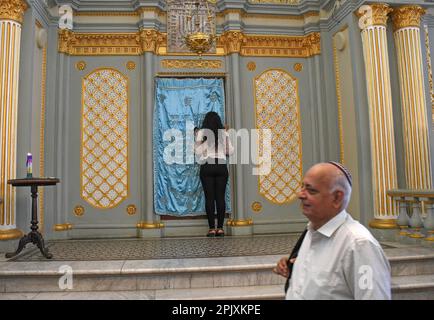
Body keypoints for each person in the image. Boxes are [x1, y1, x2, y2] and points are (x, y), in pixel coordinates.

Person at [273, 162, 391, 300]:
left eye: (311, 191)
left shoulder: (359, 245)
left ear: (337, 198)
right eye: (302, 187)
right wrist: (297, 266)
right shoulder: (312, 229)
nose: (300, 195)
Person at [195, 112, 233, 237]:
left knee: (209, 198)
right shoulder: (223, 133)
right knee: (220, 198)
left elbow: (197, 152)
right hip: (221, 166)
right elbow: (230, 151)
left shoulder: (202, 134)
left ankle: (212, 229)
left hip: (207, 166)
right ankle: (220, 228)